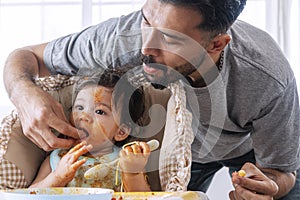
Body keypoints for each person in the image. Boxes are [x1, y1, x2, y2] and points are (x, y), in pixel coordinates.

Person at [2, 0, 300, 199]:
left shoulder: (267, 78)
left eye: (170, 38)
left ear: (216, 44)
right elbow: (25, 57)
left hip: (248, 149)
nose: (145, 47)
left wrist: (270, 185)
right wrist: (24, 94)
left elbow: (282, 170)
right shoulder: (118, 39)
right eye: (146, 21)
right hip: (175, 153)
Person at [28, 68, 152, 191]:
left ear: (121, 132)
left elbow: (144, 196)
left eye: (99, 111)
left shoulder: (126, 159)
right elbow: (30, 194)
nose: (84, 116)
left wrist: (132, 174)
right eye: (79, 107)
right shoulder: (58, 158)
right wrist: (57, 177)